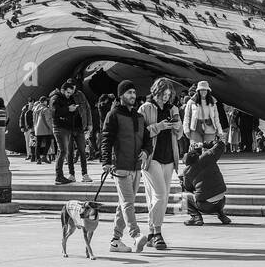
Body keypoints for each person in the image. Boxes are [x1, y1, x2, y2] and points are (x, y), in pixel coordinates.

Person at [101, 80, 151, 252]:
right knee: (128, 203)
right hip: (120, 166)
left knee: (123, 204)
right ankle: (136, 235)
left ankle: (115, 241)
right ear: (121, 95)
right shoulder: (113, 115)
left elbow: (147, 139)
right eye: (128, 92)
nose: (132, 96)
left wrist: (145, 151)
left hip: (136, 167)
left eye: (134, 92)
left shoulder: (139, 117)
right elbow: (106, 139)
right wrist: (106, 161)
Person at [139, 77, 183, 249]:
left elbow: (179, 136)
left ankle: (151, 232)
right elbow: (140, 134)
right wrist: (159, 127)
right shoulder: (145, 108)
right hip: (151, 157)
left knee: (157, 199)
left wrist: (177, 127)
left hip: (169, 158)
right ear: (156, 91)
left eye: (168, 94)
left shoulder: (173, 109)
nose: (166, 97)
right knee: (161, 195)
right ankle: (157, 232)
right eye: (163, 94)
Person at [182, 139, 231, 225]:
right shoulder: (208, 156)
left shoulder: (187, 171)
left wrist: (182, 181)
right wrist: (204, 145)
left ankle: (196, 217)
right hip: (221, 201)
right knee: (213, 190)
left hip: (205, 206)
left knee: (184, 196)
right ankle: (222, 215)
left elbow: (188, 188)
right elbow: (221, 144)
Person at [50, 78, 79, 186]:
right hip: (59, 127)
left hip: (67, 127)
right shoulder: (56, 98)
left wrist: (73, 110)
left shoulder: (68, 98)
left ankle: (60, 176)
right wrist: (68, 109)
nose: (69, 95)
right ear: (63, 90)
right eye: (68, 92)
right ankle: (59, 176)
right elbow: (54, 112)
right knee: (63, 151)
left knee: (63, 151)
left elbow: (71, 112)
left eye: (71, 93)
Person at [183, 81, 225, 150]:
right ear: (198, 91)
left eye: (205, 90)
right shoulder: (191, 102)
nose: (203, 91)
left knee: (208, 151)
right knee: (195, 150)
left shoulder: (213, 102)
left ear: (208, 91)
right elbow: (187, 117)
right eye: (201, 90)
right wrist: (186, 130)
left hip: (210, 128)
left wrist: (220, 131)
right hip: (195, 128)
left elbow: (216, 118)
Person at [66, 81, 92, 183]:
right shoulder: (64, 96)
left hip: (80, 127)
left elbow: (87, 108)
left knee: (82, 151)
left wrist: (90, 124)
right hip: (68, 128)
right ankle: (71, 174)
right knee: (70, 152)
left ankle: (85, 174)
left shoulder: (80, 95)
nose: (72, 89)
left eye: (73, 87)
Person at [31, 96, 54, 162]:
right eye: (47, 101)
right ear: (44, 101)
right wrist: (52, 129)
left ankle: (38, 159)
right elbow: (48, 120)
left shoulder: (35, 109)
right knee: (48, 142)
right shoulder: (45, 109)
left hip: (37, 129)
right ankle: (44, 156)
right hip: (45, 129)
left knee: (38, 144)